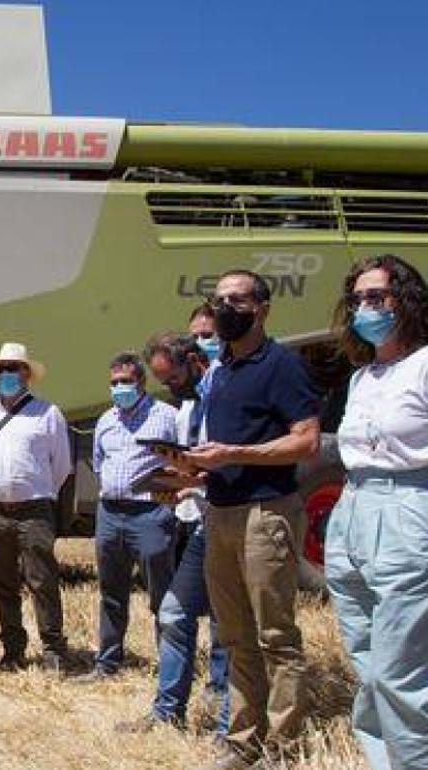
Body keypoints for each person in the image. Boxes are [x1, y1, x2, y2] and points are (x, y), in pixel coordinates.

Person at [184, 270, 319, 770]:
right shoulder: (219, 371)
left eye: (237, 300)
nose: (225, 308)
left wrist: (235, 452)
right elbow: (225, 450)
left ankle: (283, 748)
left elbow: (306, 440)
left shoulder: (281, 365)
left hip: (266, 513)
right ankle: (243, 740)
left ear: (262, 308)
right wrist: (192, 470)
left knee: (275, 637)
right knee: (234, 634)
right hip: (219, 512)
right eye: (219, 300)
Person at [325, 254, 428, 770]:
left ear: (405, 300)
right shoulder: (362, 377)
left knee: (399, 671)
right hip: (353, 507)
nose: (365, 308)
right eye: (358, 299)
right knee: (367, 664)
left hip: (409, 506)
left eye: (377, 297)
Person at [116, 332, 228, 733]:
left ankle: (229, 722)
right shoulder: (189, 407)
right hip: (201, 520)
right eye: (163, 382)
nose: (171, 388)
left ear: (194, 362)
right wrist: (177, 485)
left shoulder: (225, 392)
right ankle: (167, 713)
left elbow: (234, 459)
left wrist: (200, 477)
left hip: (231, 522)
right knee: (173, 613)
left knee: (229, 624)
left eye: (173, 379)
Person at [0, 342, 70, 672]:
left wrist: (34, 492)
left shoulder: (48, 412)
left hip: (33, 512)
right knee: (3, 584)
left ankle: (53, 648)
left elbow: (62, 466)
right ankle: (13, 650)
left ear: (27, 374)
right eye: (0, 369)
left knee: (42, 581)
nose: (5, 374)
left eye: (12, 368)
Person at [86, 352, 179, 680]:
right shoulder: (105, 420)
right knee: (111, 592)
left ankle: (170, 666)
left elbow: (182, 464)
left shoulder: (167, 416)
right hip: (110, 513)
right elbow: (99, 464)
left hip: (150, 514)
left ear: (141, 382)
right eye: (114, 383)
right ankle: (107, 662)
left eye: (125, 382)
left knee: (161, 594)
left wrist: (167, 504)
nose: (119, 388)